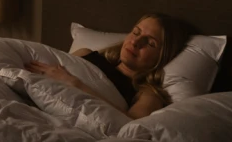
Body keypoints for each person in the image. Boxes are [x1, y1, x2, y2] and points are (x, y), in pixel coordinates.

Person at [25, 13, 190, 119]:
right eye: (136, 32)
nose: (135, 42)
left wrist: (75, 84)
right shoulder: (85, 54)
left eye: (150, 43)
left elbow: (131, 127)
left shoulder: (147, 94)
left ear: (162, 57)